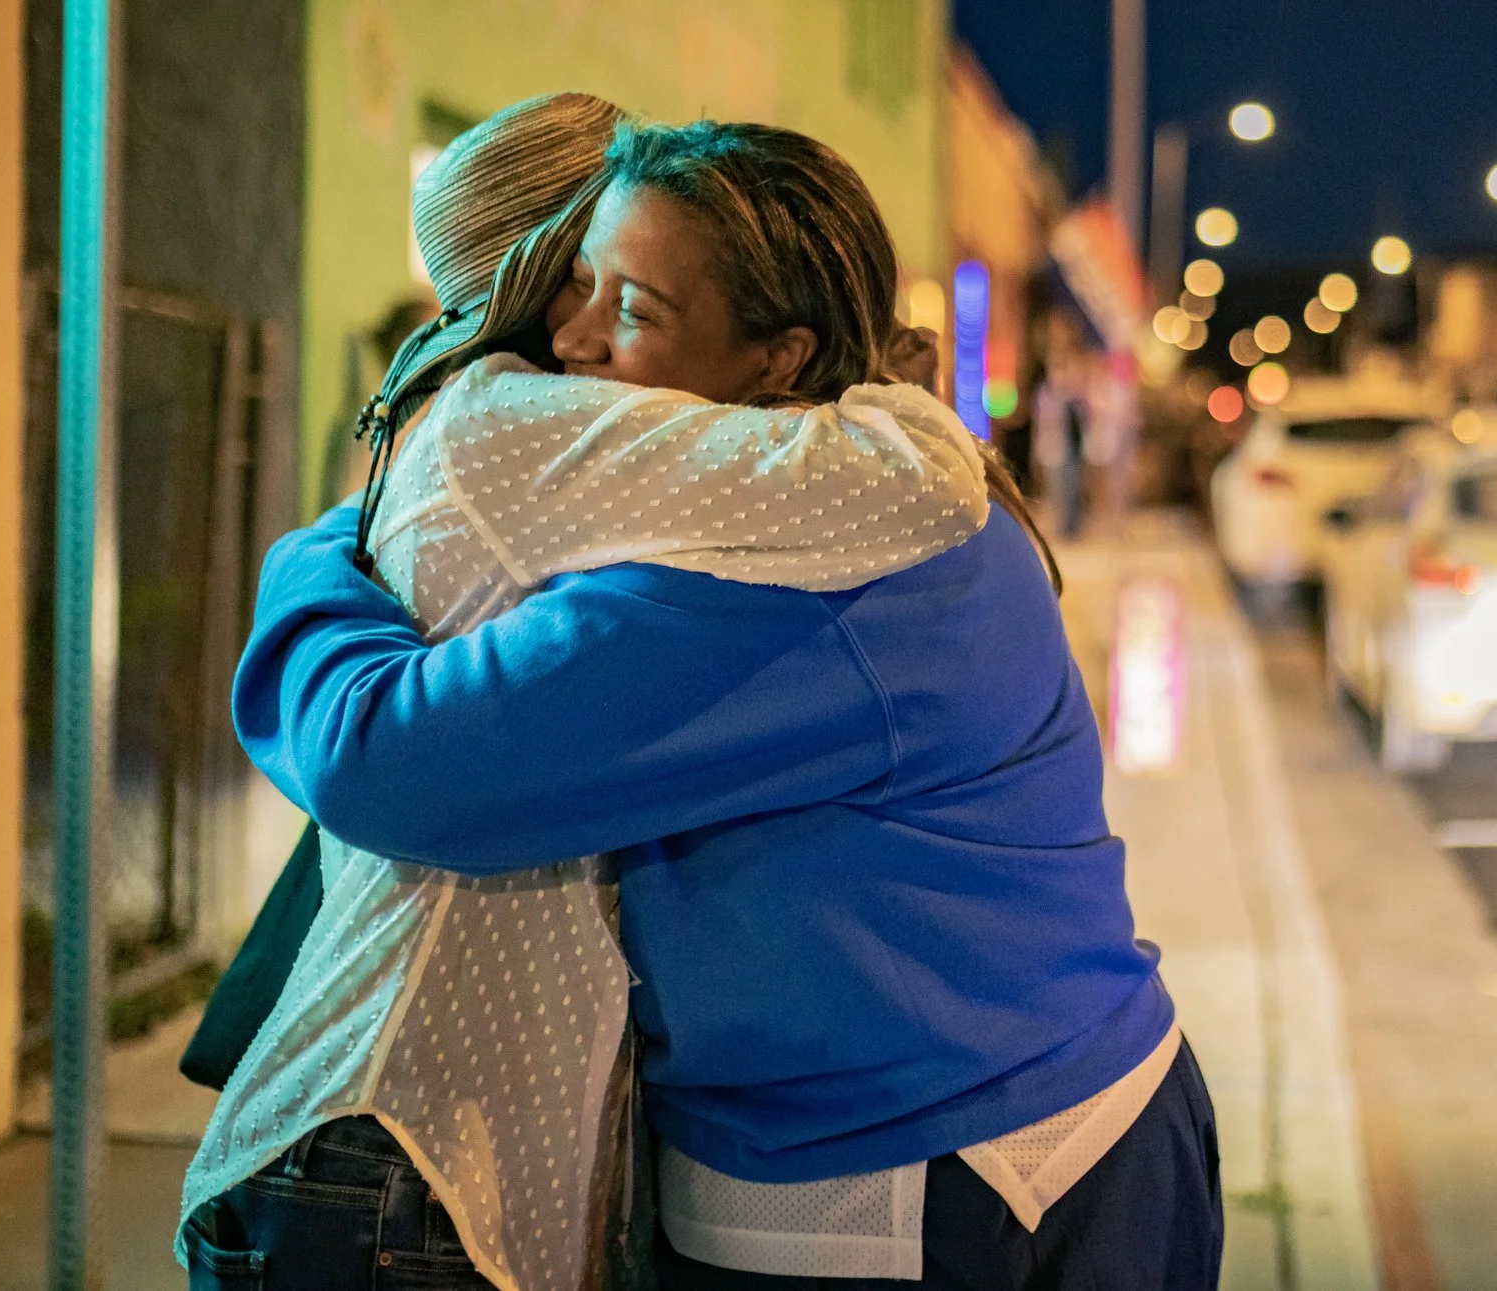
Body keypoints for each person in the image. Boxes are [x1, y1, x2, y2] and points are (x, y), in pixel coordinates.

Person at [236, 119, 1224, 1289]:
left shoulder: (790, 577)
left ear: (776, 357)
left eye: (636, 311)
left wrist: (314, 563)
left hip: (930, 1180)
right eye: (575, 285)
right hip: (1044, 1115)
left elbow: (385, 761)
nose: (571, 340)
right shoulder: (871, 492)